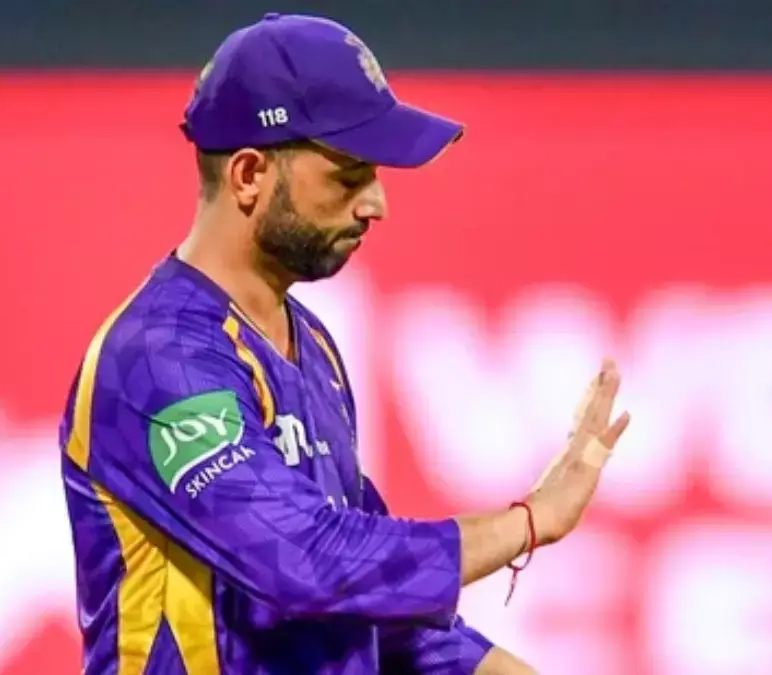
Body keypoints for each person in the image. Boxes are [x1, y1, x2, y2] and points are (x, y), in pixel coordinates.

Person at [59, 12, 631, 675]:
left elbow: (364, 600)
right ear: (249, 175)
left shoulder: (312, 345)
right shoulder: (160, 359)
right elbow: (305, 561)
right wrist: (529, 521)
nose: (376, 203)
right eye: (349, 174)